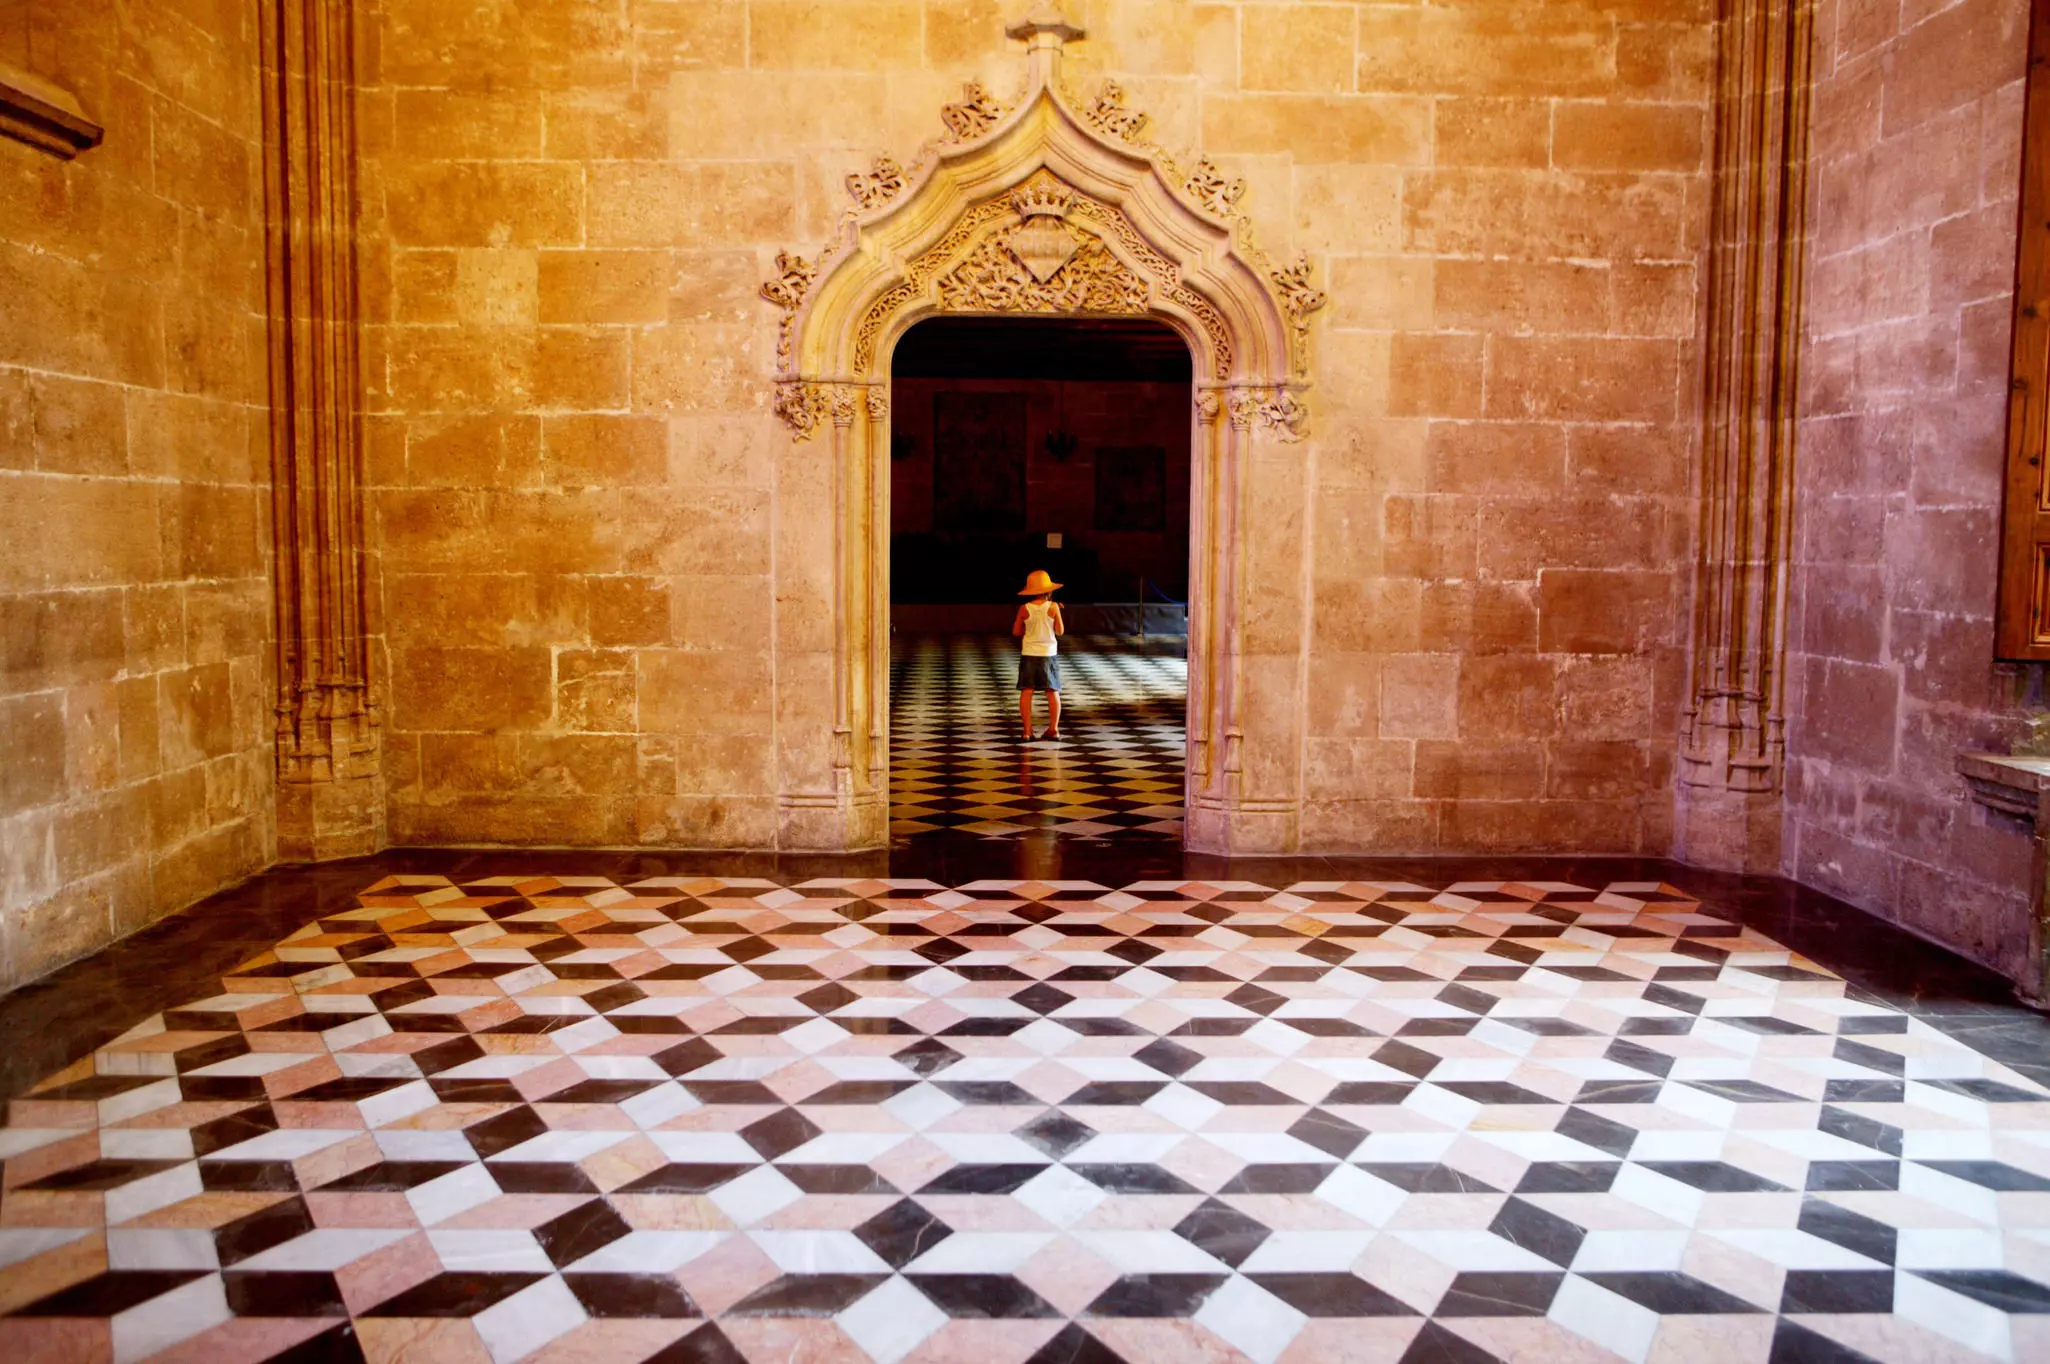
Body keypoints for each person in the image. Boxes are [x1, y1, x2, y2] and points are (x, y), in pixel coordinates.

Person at [1012, 569, 1065, 741]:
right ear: (1048, 591)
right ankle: (1054, 729)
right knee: (1052, 690)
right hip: (1049, 654)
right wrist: (1056, 615)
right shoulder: (1054, 607)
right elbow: (1060, 631)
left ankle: (1027, 731)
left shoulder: (1024, 608)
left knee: (1027, 691)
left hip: (1029, 653)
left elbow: (1016, 631)